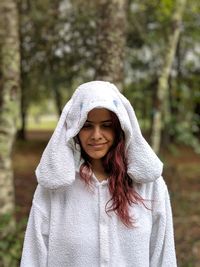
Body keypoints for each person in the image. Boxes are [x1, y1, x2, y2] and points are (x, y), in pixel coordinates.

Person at [20, 81, 177, 267]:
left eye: (106, 125)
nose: (96, 135)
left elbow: (163, 257)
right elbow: (33, 258)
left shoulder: (150, 185)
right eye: (87, 126)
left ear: (120, 128)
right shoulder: (54, 188)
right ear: (75, 129)